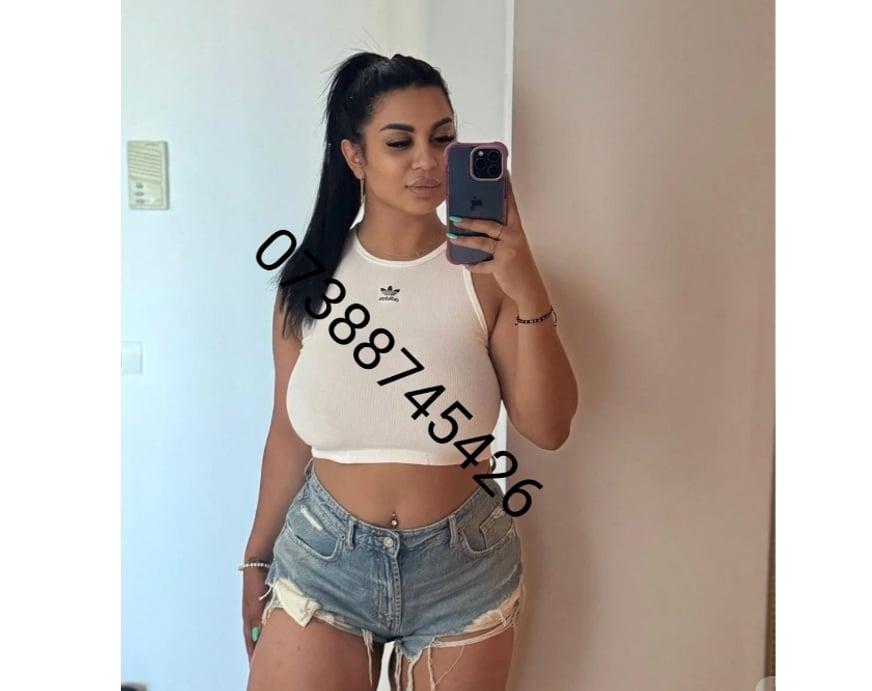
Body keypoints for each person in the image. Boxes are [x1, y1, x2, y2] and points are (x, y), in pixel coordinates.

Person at [243, 51, 578, 691]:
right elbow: (286, 433)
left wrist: (529, 286)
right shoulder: (308, 279)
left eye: (442, 139)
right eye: (400, 142)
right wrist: (255, 559)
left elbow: (549, 427)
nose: (427, 160)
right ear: (355, 157)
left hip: (462, 567)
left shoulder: (490, 278)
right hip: (323, 561)